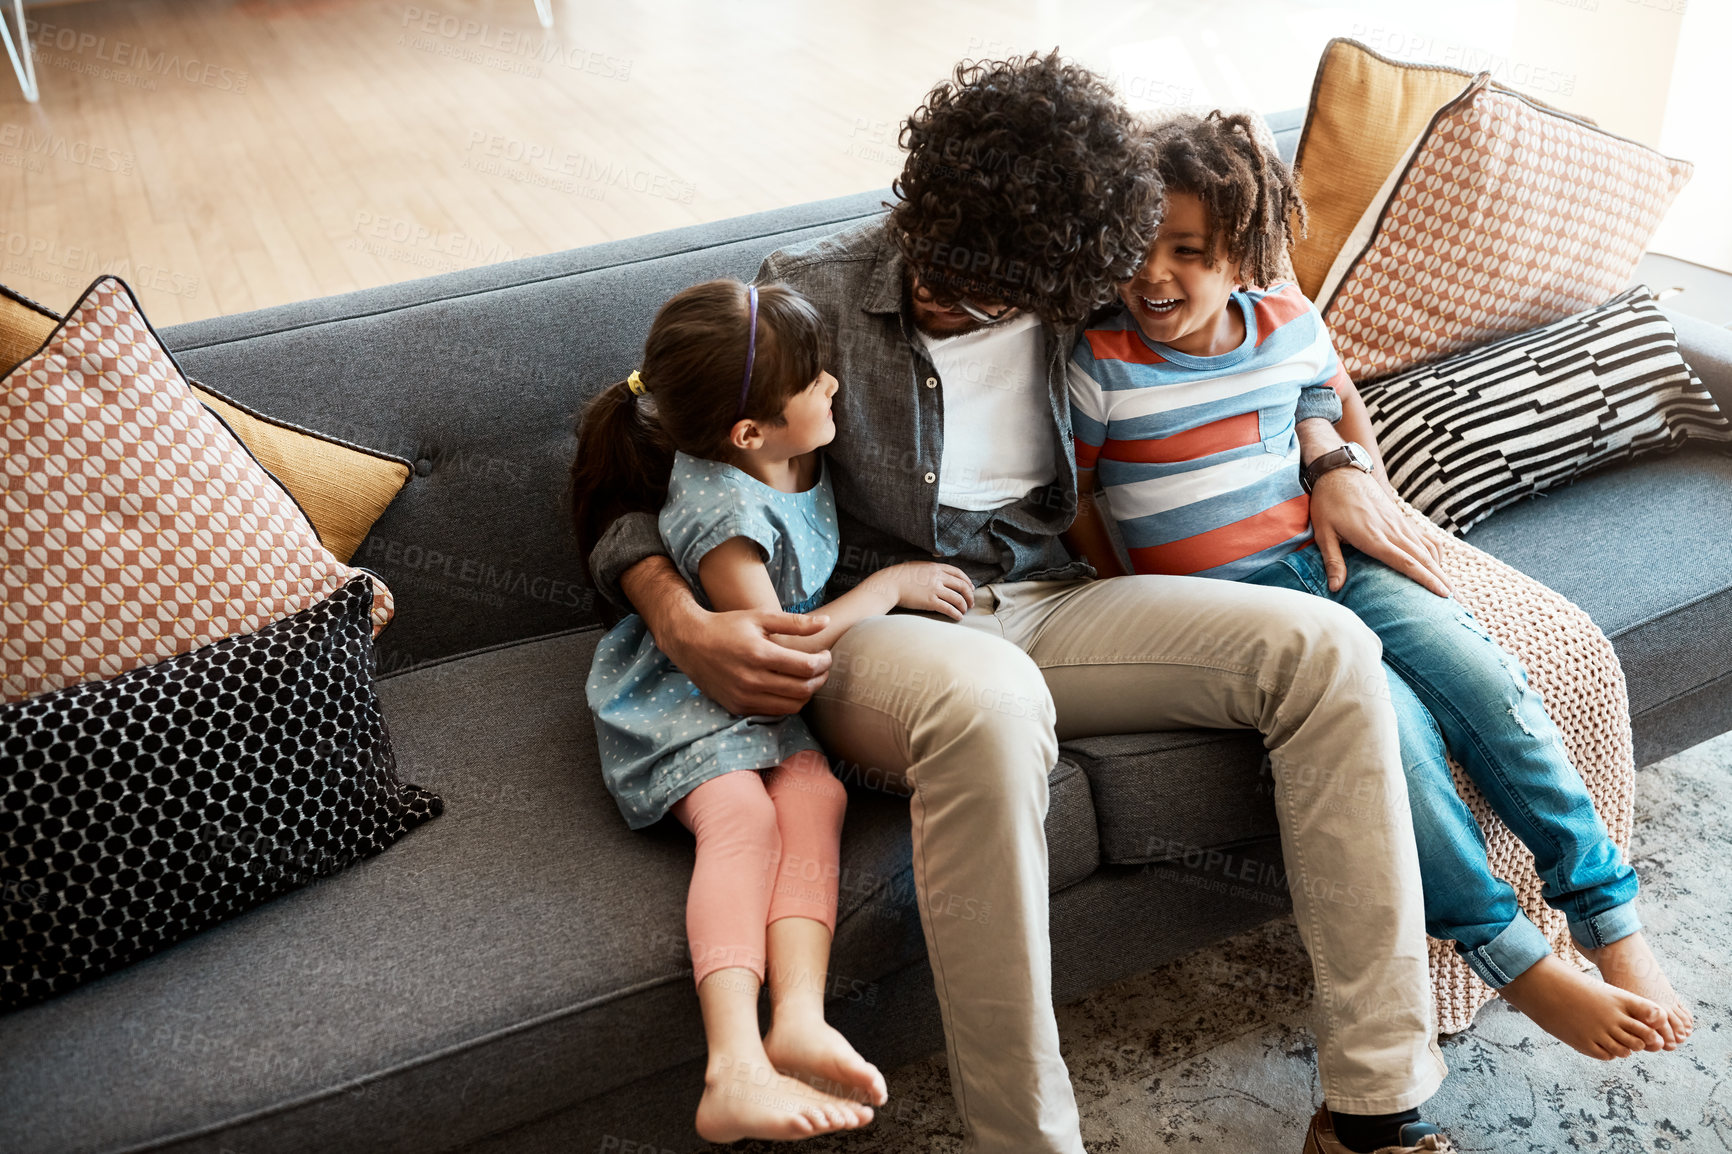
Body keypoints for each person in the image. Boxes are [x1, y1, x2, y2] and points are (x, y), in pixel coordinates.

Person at [588, 55, 1459, 1154]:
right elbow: (634, 475)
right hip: (883, 626)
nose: (954, 303)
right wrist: (678, 616)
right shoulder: (803, 289)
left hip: (1054, 596)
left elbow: (1287, 349)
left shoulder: (1088, 272)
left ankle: (1373, 1112)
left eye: (1000, 295)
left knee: (1329, 648)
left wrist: (1333, 456)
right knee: (992, 704)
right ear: (923, 201)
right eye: (939, 268)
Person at [1063, 108, 1693, 1087]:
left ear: (1242, 250)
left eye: (1185, 250)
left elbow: (1325, 399)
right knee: (1394, 744)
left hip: (1332, 564)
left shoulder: (1284, 321)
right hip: (1235, 621)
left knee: (1492, 685)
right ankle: (1514, 959)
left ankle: (1609, 917)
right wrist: (1124, 594)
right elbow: (1081, 502)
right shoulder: (1099, 363)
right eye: (1134, 246)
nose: (1152, 273)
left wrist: (1342, 470)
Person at [572, 279, 977, 1143]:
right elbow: (782, 647)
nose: (835, 385)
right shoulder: (724, 513)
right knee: (744, 820)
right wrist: (890, 586)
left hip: (755, 704)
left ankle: (796, 1016)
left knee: (818, 796)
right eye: (817, 379)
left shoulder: (787, 446)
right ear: (749, 432)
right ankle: (732, 1066)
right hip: (685, 700)